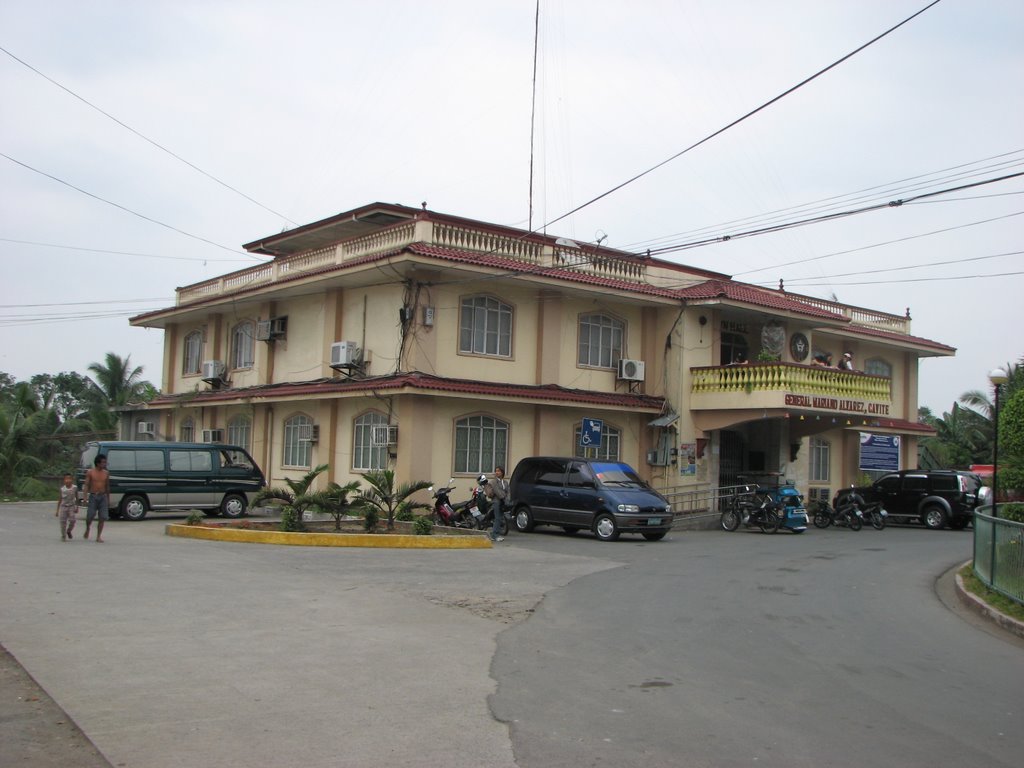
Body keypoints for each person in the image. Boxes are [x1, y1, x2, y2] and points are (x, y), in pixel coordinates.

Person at [83, 455, 110, 543]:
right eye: (103, 462)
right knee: (90, 515)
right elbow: (86, 485)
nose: (104, 464)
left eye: (105, 462)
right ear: (98, 463)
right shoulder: (90, 472)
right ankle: (88, 528)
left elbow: (107, 486)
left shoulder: (106, 473)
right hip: (93, 496)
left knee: (102, 517)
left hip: (103, 496)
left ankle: (98, 536)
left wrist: (108, 499)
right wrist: (85, 498)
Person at [55, 473, 78, 541]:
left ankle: (69, 530)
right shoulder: (62, 489)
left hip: (71, 506)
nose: (68, 480)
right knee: (63, 522)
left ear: (72, 480)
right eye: (66, 479)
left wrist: (77, 507)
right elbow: (60, 499)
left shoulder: (74, 488)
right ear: (64, 480)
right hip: (63, 506)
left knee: (72, 520)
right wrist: (57, 510)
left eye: (69, 478)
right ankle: (63, 535)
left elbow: (77, 497)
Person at [488, 466, 508, 542]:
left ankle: (497, 534)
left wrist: (507, 499)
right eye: (496, 471)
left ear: (502, 472)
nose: (497, 472)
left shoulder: (505, 482)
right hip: (497, 501)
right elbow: (497, 491)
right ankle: (494, 535)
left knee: (501, 518)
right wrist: (503, 498)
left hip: (503, 502)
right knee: (497, 518)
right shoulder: (493, 482)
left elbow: (508, 491)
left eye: (499, 471)